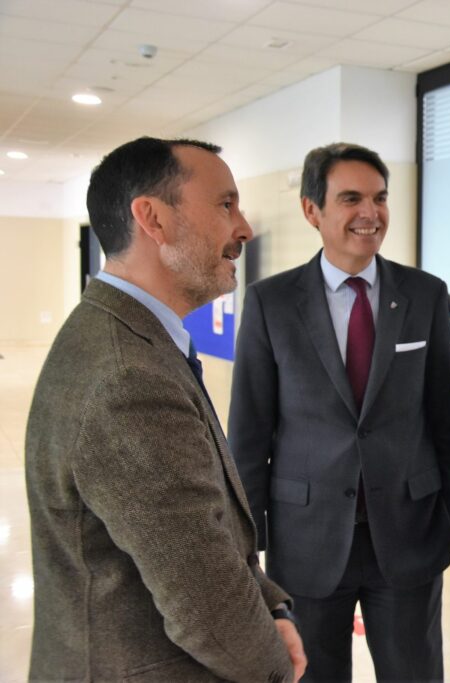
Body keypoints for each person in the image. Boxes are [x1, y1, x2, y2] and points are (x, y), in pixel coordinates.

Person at [24, 137, 306, 681]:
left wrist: (271, 606)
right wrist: (276, 667)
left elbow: (204, 527)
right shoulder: (126, 376)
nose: (243, 228)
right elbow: (206, 605)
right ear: (152, 218)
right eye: (225, 205)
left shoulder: (127, 335)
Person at [229, 142, 450, 682]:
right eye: (351, 198)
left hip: (408, 535)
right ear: (311, 210)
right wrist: (249, 547)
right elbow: (249, 434)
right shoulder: (272, 303)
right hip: (306, 538)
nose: (371, 213)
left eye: (380, 197)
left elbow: (446, 419)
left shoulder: (424, 295)